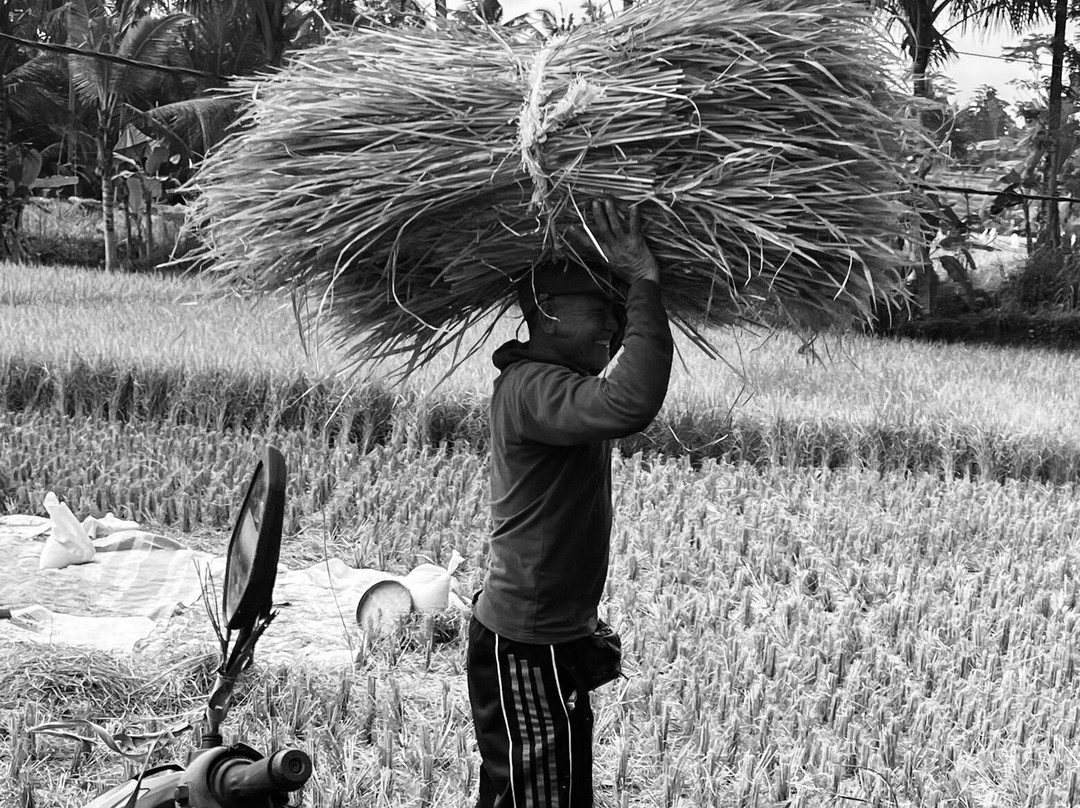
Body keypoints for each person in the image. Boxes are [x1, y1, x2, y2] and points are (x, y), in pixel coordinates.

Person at [468, 197, 674, 808]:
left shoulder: (556, 383)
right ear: (550, 313)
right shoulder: (535, 389)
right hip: (528, 642)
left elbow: (626, 377)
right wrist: (643, 281)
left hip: (551, 635)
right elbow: (629, 403)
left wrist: (638, 298)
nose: (613, 323)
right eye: (601, 310)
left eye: (617, 311)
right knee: (542, 798)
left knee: (541, 791)